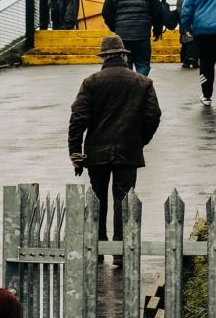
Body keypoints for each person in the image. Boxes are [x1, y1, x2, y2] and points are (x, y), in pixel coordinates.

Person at [68, 35, 161, 264]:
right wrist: (140, 140)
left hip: (96, 151)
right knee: (124, 199)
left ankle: (98, 247)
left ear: (104, 58)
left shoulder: (91, 82)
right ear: (124, 55)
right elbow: (153, 115)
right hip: (128, 150)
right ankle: (120, 251)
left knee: (97, 197)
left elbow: (78, 118)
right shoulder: (142, 82)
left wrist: (75, 153)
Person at [101, 0, 163, 76]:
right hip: (142, 35)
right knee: (143, 64)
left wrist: (115, 27)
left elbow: (106, 12)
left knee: (125, 65)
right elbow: (157, 11)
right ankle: (140, 85)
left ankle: (129, 87)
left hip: (123, 35)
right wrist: (157, 30)